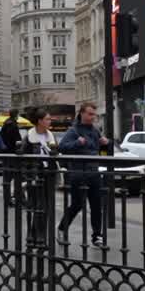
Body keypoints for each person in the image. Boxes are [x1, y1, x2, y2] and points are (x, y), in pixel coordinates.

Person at [57, 102, 110, 248]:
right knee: (77, 204)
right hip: (78, 172)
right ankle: (62, 228)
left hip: (93, 172)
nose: (93, 117)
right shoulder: (73, 131)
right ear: (82, 113)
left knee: (96, 204)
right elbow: (62, 147)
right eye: (90, 114)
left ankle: (97, 236)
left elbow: (100, 148)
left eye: (94, 114)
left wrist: (105, 143)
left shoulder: (95, 130)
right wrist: (77, 143)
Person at [20, 108, 59, 246]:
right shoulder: (29, 137)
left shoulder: (50, 135)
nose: (50, 121)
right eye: (47, 119)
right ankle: (39, 237)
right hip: (35, 175)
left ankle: (34, 236)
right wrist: (27, 177)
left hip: (48, 174)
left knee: (46, 207)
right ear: (39, 121)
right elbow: (23, 159)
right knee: (37, 207)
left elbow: (56, 153)